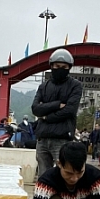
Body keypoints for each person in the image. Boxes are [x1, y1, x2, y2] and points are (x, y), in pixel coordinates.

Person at [32, 48, 83, 177]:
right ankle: (43, 197)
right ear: (51, 66)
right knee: (43, 175)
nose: (60, 69)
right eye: (57, 66)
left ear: (69, 68)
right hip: (42, 137)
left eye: (64, 67)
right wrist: (56, 105)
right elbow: (35, 108)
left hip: (62, 137)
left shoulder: (75, 85)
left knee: (64, 173)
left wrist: (46, 116)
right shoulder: (43, 86)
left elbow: (69, 110)